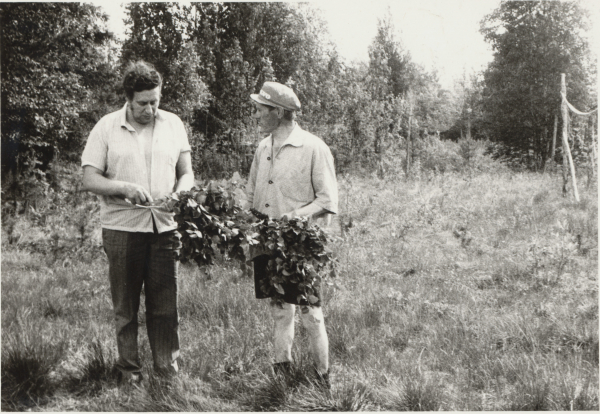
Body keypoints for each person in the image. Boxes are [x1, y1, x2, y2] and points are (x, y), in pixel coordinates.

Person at [81, 61, 194, 384]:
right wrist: (123, 188)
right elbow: (89, 178)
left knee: (165, 308)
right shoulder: (106, 127)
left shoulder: (173, 124)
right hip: (122, 230)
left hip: (164, 228)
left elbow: (186, 172)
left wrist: (180, 193)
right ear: (128, 98)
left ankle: (166, 373)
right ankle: (129, 371)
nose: (150, 109)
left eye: (155, 101)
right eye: (143, 103)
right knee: (126, 307)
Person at [246, 81, 338, 388]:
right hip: (266, 240)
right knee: (279, 309)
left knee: (311, 313)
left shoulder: (314, 148)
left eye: (261, 108)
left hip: (300, 246)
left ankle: (323, 378)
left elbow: (327, 201)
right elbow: (250, 196)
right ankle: (282, 372)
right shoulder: (262, 148)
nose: (256, 113)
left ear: (279, 112)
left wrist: (294, 216)